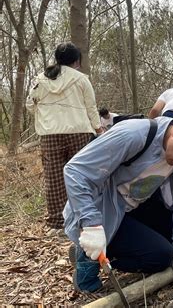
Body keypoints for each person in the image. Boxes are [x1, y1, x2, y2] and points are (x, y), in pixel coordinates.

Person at [63, 115, 173, 292]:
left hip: (135, 206)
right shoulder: (133, 134)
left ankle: (107, 246)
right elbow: (75, 170)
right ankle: (88, 254)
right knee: (162, 256)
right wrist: (91, 224)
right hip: (103, 207)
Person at [26, 42, 102, 230]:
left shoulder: (41, 79)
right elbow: (91, 108)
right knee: (81, 176)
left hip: (50, 134)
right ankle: (84, 219)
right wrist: (99, 129)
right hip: (79, 132)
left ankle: (57, 223)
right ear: (77, 61)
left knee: (54, 179)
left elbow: (30, 104)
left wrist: (46, 116)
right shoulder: (81, 79)